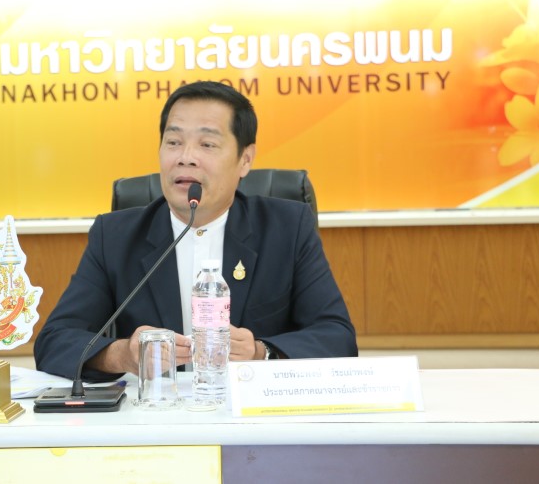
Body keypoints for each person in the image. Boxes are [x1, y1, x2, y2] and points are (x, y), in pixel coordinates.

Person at [34, 81, 357, 381]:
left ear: (245, 160)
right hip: (157, 412)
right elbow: (54, 342)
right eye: (173, 142)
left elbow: (337, 338)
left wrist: (262, 352)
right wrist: (122, 355)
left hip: (250, 411)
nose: (185, 158)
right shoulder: (116, 236)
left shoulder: (287, 228)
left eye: (207, 144)